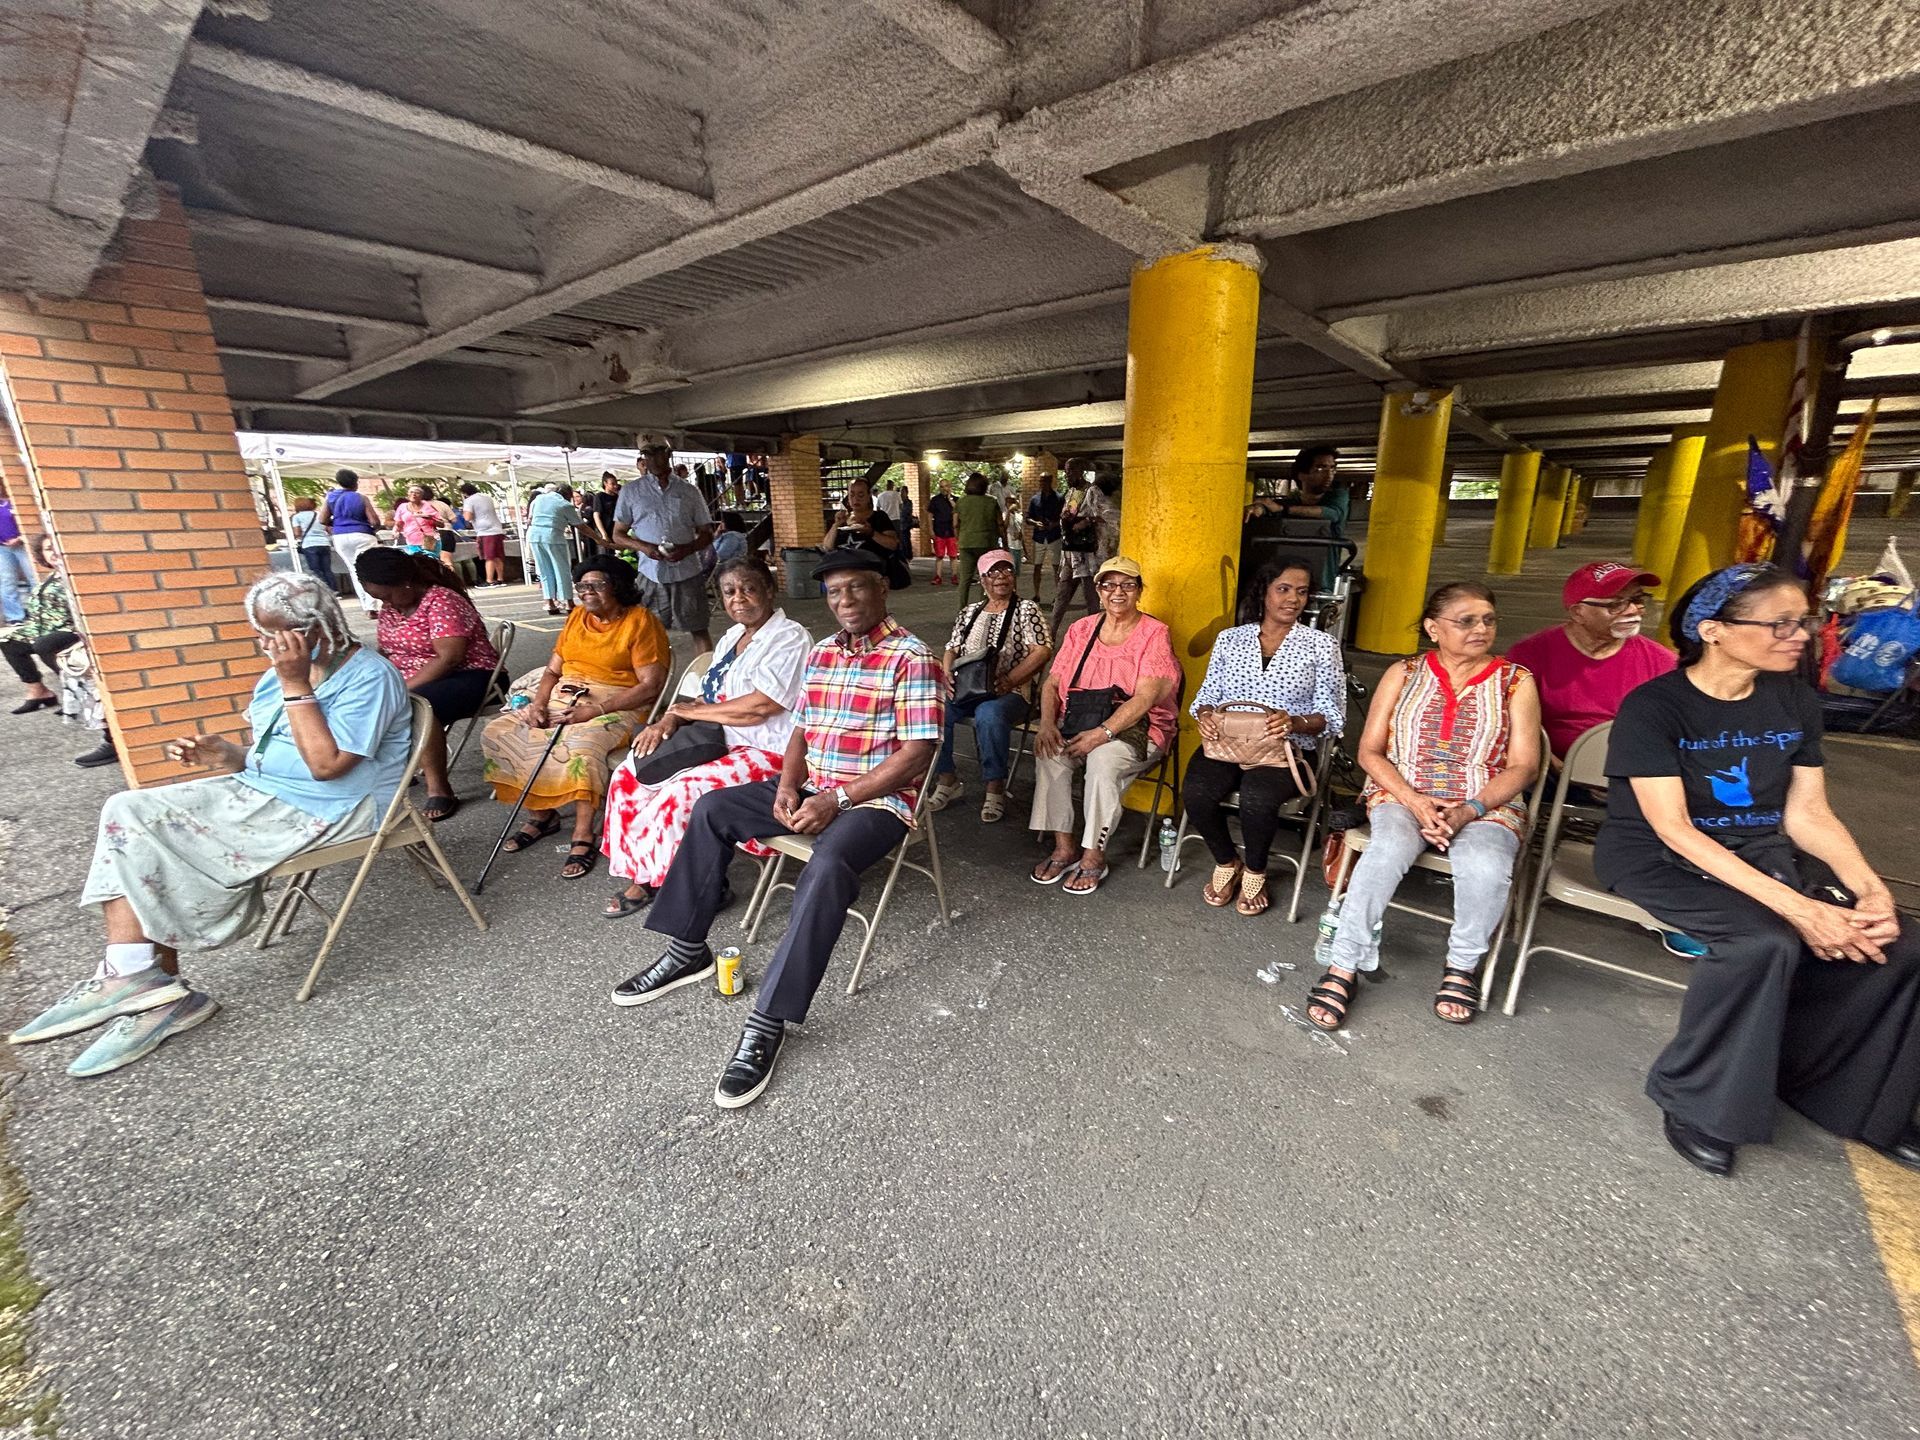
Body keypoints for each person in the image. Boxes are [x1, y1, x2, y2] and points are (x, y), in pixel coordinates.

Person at [6, 572, 411, 1077]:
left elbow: (328, 766)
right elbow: (276, 751)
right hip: (267, 793)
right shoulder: (285, 670)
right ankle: (143, 985)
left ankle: (141, 985)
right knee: (128, 812)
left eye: (276, 634)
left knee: (152, 834)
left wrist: (294, 682)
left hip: (331, 809)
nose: (267, 645)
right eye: (261, 633)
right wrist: (228, 753)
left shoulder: (368, 676)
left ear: (315, 628)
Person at [1595, 563, 1920, 1178]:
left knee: (1900, 942)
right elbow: (1674, 829)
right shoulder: (1655, 706)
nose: (1802, 635)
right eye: (1781, 623)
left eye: (1805, 621)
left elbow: (1808, 813)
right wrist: (1801, 908)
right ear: (1714, 630)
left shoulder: (1794, 699)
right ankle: (1693, 1101)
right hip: (1660, 858)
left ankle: (1844, 1094)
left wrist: (1869, 891)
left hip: (1762, 852)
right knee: (1760, 942)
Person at [616, 549, 944, 1108]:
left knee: (828, 863)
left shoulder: (911, 657)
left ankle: (768, 1019)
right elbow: (801, 731)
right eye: (834, 592)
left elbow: (917, 754)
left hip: (877, 801)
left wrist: (838, 799)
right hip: (816, 784)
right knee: (714, 808)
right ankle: (687, 948)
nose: (844, 601)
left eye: (856, 589)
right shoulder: (822, 652)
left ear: (883, 590)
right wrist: (791, 787)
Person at [1305, 582, 1540, 1031]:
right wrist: (1414, 802)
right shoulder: (1405, 673)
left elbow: (1524, 766)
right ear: (1434, 628)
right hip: (1402, 790)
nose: (1481, 628)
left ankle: (1462, 966)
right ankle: (1344, 965)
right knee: (1387, 849)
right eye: (1466, 620)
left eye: (1488, 619)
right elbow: (1370, 751)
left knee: (1487, 864)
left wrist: (1468, 810)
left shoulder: (1516, 681)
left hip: (1485, 798)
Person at [600, 557, 811, 918]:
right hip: (718, 741)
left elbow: (762, 706)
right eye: (729, 591)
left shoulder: (790, 637)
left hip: (766, 751)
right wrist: (669, 719)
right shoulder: (731, 637)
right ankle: (645, 873)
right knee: (627, 775)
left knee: (679, 792)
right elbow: (708, 698)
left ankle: (695, 888)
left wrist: (688, 713)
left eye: (749, 588)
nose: (738, 598)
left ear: (770, 590)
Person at [482, 557, 668, 879]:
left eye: (596, 585)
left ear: (618, 587)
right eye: (582, 585)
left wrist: (595, 711)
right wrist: (539, 704)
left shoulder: (640, 621)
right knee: (501, 731)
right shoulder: (576, 617)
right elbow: (553, 670)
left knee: (581, 746)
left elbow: (651, 685)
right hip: (564, 695)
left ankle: (583, 832)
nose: (586, 592)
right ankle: (542, 814)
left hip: (617, 703)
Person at [1186, 557, 1347, 916]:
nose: (1293, 599)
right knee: (1196, 793)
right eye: (1284, 589)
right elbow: (1206, 695)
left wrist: (1295, 722)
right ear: (1265, 592)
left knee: (1257, 799)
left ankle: (1256, 871)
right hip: (1228, 742)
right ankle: (1227, 861)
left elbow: (1333, 714)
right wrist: (1206, 716)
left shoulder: (1321, 645)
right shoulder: (1231, 639)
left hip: (1287, 748)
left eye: (1302, 592)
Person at [1029, 556, 1180, 896]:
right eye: (1109, 584)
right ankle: (1064, 847)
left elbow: (1145, 698)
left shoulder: (1155, 633)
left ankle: (1094, 855)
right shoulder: (1081, 630)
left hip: (1139, 729)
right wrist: (1047, 724)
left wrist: (1103, 734)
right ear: (1098, 590)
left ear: (1139, 591)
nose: (1118, 592)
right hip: (1081, 721)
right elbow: (1052, 684)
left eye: (1128, 585)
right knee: (1050, 753)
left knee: (1101, 760)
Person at [355, 548, 500, 822]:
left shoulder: (442, 601)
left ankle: (440, 789)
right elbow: (388, 650)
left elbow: (449, 658)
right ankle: (393, 768)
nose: (385, 604)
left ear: (406, 583)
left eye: (386, 596)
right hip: (414, 676)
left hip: (470, 674)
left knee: (419, 704)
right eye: (378, 598)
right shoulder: (391, 606)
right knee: (362, 698)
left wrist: (402, 688)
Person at [929, 551, 1054, 823]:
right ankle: (947, 778)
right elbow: (951, 648)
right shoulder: (970, 612)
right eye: (993, 573)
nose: (1001, 577)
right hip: (968, 688)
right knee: (934, 709)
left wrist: (1010, 680)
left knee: (989, 714)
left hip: (1012, 692)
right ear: (982, 580)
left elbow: (1042, 650)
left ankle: (994, 787)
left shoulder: (1025, 609)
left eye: (1006, 571)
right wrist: (948, 672)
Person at [1507, 561, 1677, 761]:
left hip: (1633, 775)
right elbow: (1508, 723)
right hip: (1549, 775)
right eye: (1615, 604)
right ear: (1578, 613)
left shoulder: (1664, 663)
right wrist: (1554, 767)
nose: (1632, 610)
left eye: (1638, 600)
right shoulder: (1528, 655)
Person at [613, 436, 717, 650]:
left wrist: (687, 549)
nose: (652, 459)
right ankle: (656, 680)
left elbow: (706, 533)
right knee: (649, 634)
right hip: (651, 573)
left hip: (687, 571)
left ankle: (707, 677)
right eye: (647, 454)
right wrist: (646, 548)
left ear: (668, 454)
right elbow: (618, 534)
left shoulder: (689, 491)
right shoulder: (631, 491)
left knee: (699, 628)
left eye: (658, 452)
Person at [1244, 445, 1350, 591]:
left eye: (1332, 468)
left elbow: (1332, 514)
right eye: (1320, 468)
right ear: (1302, 475)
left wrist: (1282, 509)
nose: (1329, 474)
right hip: (1288, 579)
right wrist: (1258, 508)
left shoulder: (1338, 497)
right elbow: (1271, 509)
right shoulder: (1292, 501)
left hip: (1322, 582)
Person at [4, 533, 77, 716]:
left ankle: (76, 693)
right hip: (44, 628)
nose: (53, 552)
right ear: (41, 554)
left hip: (71, 629)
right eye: (48, 549)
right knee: (9, 642)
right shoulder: (52, 577)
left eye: (56, 547)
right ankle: (39, 692)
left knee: (44, 644)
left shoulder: (75, 576)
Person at [1052, 465, 1116, 637]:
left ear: (1081, 472)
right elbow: (1070, 514)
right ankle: (1049, 635)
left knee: (1091, 598)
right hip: (1071, 553)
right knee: (1062, 595)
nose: (1067, 475)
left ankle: (1094, 636)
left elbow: (1108, 516)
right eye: (1066, 472)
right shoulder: (1071, 493)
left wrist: (1087, 520)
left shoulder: (1092, 491)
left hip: (1088, 556)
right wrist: (1067, 518)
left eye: (1071, 471)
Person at [819, 475, 904, 587]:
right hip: (843, 574)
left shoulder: (879, 516)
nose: (856, 499)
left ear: (869, 495)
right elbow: (827, 547)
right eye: (852, 495)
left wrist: (871, 533)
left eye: (861, 495)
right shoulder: (843, 518)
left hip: (870, 575)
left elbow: (893, 544)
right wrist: (836, 525)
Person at [321, 469, 385, 617]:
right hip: (362, 535)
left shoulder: (330, 498)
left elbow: (322, 519)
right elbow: (374, 521)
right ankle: (373, 606)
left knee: (354, 571)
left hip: (341, 537)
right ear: (355, 482)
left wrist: (337, 523)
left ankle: (367, 607)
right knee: (369, 569)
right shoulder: (361, 498)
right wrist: (370, 526)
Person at [526, 483, 596, 616]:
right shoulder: (565, 505)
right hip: (553, 537)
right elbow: (581, 526)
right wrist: (598, 538)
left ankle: (549, 602)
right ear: (568, 495)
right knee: (561, 570)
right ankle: (569, 602)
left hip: (534, 536)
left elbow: (530, 519)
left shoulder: (539, 499)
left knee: (545, 570)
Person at [953, 473, 1005, 607]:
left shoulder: (961, 501)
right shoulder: (992, 501)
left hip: (966, 542)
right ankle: (983, 606)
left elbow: (955, 523)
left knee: (965, 579)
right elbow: (1000, 523)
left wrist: (959, 538)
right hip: (987, 543)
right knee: (985, 576)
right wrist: (1005, 543)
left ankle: (961, 610)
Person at [1024, 469, 1064, 603]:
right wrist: (1035, 523)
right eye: (1040, 481)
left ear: (1050, 481)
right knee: (1037, 566)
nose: (1042, 483)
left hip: (1054, 536)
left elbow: (1063, 517)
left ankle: (1058, 596)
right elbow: (1027, 517)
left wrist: (1054, 524)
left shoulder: (1059, 498)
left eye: (1045, 481)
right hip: (1039, 536)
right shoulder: (1034, 499)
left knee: (1056, 567)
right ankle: (1036, 594)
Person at [460, 482, 506, 587]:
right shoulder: (487, 498)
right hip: (497, 529)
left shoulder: (469, 500)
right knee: (497, 556)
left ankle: (489, 580)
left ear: (464, 493)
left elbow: (468, 517)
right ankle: (500, 579)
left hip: (485, 531)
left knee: (489, 556)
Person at [288, 496, 334, 583]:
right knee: (327, 569)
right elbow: (329, 529)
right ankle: (334, 590)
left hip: (309, 544)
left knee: (315, 569)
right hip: (324, 543)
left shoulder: (297, 517)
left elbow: (297, 533)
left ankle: (323, 589)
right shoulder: (319, 515)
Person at [0, 496, 30, 623]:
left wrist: (20, 538)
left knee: (33, 577)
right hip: (2, 548)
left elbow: (28, 520)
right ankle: (15, 617)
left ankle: (38, 610)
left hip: (22, 545)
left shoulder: (11, 502)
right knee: (7, 581)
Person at [391, 485, 443, 554]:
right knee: (415, 563)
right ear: (408, 495)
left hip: (429, 539)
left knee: (430, 562)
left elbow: (442, 524)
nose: (414, 494)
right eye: (411, 492)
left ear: (421, 496)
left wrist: (429, 518)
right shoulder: (402, 507)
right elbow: (398, 523)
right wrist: (395, 531)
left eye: (417, 493)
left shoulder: (427, 506)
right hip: (411, 541)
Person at [927, 478, 958, 586]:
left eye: (946, 486)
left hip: (952, 531)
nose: (944, 488)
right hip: (939, 530)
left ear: (950, 487)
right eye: (942, 486)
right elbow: (929, 515)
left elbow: (958, 511)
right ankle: (938, 576)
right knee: (939, 555)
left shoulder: (956, 500)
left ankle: (954, 576)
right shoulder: (935, 500)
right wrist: (930, 530)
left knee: (953, 555)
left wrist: (951, 500)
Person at [589, 472, 622, 551]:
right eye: (612, 484)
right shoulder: (600, 496)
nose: (615, 486)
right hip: (604, 530)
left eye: (616, 483)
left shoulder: (618, 497)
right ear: (605, 484)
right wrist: (603, 533)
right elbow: (596, 516)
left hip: (616, 531)